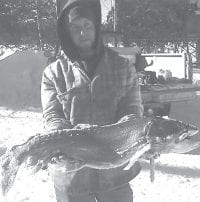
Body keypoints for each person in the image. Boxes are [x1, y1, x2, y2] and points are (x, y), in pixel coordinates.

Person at [40, 0, 144, 201]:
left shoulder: (122, 67)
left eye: (87, 26)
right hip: (70, 177)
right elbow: (53, 115)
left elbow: (131, 109)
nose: (82, 33)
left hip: (115, 173)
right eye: (75, 28)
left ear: (96, 27)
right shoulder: (53, 73)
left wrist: (128, 135)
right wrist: (60, 143)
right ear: (67, 33)